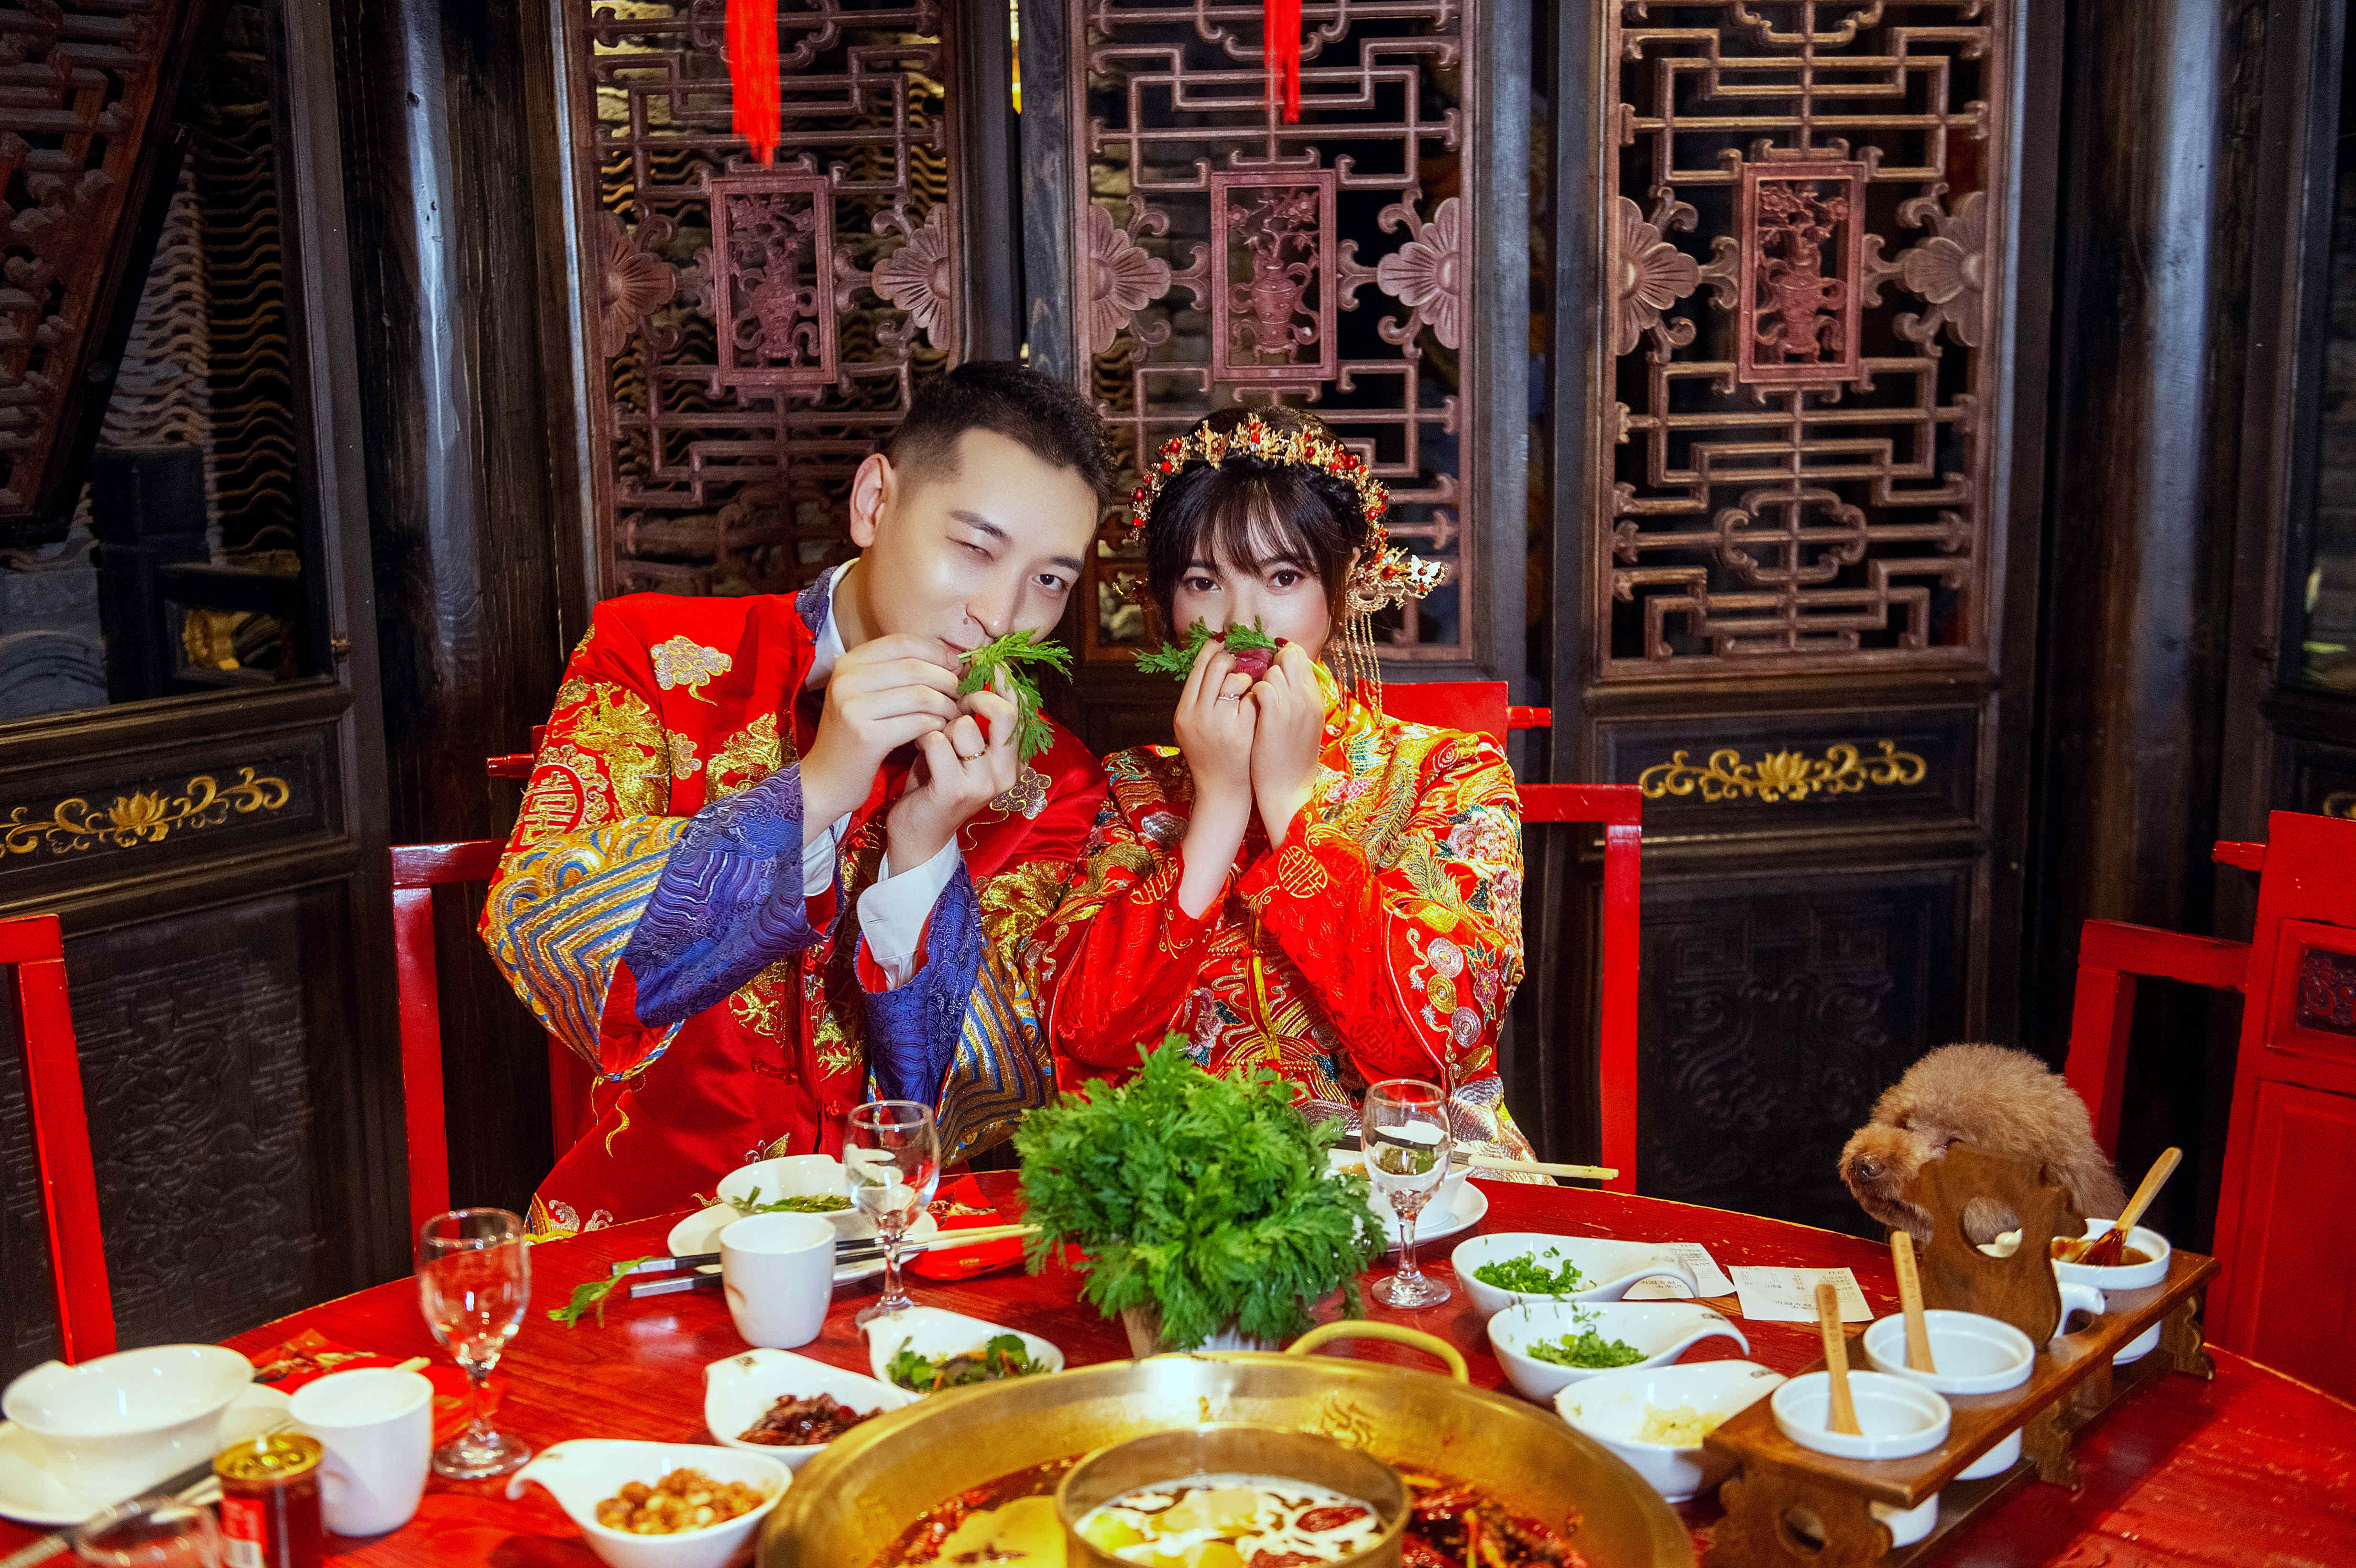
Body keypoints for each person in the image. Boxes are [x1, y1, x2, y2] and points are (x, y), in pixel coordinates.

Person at [481, 362, 1112, 1232]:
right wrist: (816, 788)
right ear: (874, 502)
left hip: (901, 1246)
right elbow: (539, 931)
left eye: (1049, 581)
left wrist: (924, 849)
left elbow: (976, 1103)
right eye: (975, 547)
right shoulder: (656, 655)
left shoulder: (1051, 779)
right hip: (650, 1233)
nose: (1001, 616)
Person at [1025, 406, 1537, 1161]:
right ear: (1164, 605)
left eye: (1284, 577)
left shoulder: (1451, 773)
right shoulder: (1130, 788)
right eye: (1204, 581)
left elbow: (1439, 1042)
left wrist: (1294, 805)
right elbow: (1083, 1029)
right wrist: (1218, 807)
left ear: (1344, 584)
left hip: (1408, 1174)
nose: (1244, 621)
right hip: (1192, 1183)